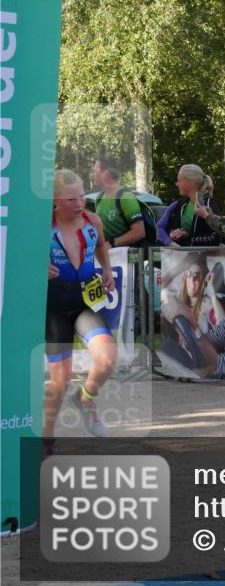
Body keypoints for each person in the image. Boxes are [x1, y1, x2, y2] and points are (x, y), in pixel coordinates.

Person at [45, 170, 118, 450]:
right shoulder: (43, 226)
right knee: (59, 382)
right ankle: (46, 439)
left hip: (84, 300)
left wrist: (108, 270)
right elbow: (17, 255)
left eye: (82, 196)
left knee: (108, 360)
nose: (79, 204)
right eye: (71, 199)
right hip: (53, 303)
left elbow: (101, 245)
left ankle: (86, 398)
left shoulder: (93, 221)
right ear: (55, 200)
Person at [161, 250, 225, 380]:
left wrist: (192, 323)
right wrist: (183, 326)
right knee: (169, 347)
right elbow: (206, 342)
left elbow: (217, 365)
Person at [158, 164, 224, 247]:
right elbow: (159, 228)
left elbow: (217, 237)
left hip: (205, 257)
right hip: (182, 257)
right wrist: (169, 241)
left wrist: (188, 236)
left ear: (191, 183)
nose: (177, 184)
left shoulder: (209, 205)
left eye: (179, 180)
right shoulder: (177, 205)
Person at [91, 158, 146, 248]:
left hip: (124, 257)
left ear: (106, 174)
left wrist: (112, 243)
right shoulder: (99, 198)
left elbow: (139, 232)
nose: (93, 175)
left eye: (95, 171)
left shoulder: (126, 197)